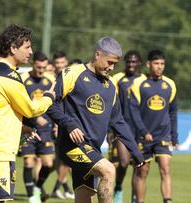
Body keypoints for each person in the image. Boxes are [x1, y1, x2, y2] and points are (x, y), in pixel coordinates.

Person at [47, 36, 144, 203]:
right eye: (109, 62)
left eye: (115, 64)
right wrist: (69, 124)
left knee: (84, 198)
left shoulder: (111, 84)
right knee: (108, 171)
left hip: (93, 149)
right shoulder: (72, 73)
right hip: (72, 146)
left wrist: (135, 151)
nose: (112, 67)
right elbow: (49, 105)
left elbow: (118, 121)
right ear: (97, 54)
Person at [0, 24, 55, 202]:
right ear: (13, 48)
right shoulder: (7, 75)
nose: (31, 51)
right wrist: (49, 97)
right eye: (27, 47)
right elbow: (31, 109)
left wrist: (21, 128)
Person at [130, 50, 178, 203]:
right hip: (143, 137)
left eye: (162, 64)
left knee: (165, 169)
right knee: (142, 172)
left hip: (163, 135)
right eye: (156, 63)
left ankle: (167, 200)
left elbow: (173, 112)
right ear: (148, 64)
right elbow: (134, 111)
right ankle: (140, 201)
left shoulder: (170, 84)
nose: (159, 67)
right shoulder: (139, 84)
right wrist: (144, 131)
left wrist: (174, 136)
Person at [19, 51, 55, 202]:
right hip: (27, 127)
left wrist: (58, 123)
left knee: (48, 163)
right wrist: (34, 117)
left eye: (44, 67)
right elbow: (18, 104)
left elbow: (56, 103)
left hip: (46, 128)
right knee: (28, 161)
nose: (41, 70)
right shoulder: (22, 79)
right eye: (38, 67)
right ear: (33, 64)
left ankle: (38, 187)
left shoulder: (51, 80)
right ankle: (32, 196)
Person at [110, 50, 145, 203]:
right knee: (123, 162)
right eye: (128, 62)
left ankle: (134, 198)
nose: (131, 64)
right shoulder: (117, 78)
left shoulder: (145, 80)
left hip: (140, 129)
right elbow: (111, 105)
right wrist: (109, 129)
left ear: (139, 63)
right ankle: (118, 186)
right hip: (121, 127)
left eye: (134, 61)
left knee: (139, 165)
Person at [50, 50, 75, 199]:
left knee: (63, 160)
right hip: (51, 125)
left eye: (62, 63)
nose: (60, 65)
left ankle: (61, 188)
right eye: (57, 63)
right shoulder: (50, 79)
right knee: (56, 161)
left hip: (63, 124)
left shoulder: (69, 78)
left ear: (66, 63)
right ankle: (58, 188)